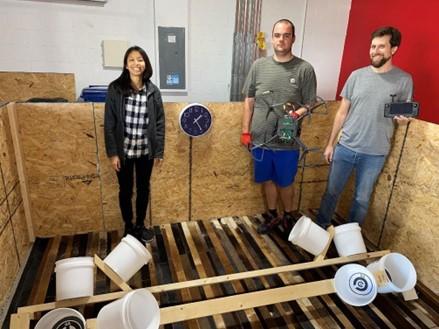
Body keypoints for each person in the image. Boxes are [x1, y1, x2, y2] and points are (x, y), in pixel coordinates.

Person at [316, 26, 413, 228]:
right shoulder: (356, 76)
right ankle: (320, 229)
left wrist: (403, 120)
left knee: (361, 200)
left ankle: (350, 238)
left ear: (393, 49)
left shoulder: (404, 80)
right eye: (372, 46)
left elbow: (400, 115)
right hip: (345, 147)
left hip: (375, 153)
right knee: (331, 192)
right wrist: (330, 144)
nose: (374, 51)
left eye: (380, 47)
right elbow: (342, 112)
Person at [241, 19, 317, 234]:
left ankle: (290, 217)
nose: (281, 39)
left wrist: (296, 114)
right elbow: (249, 100)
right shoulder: (259, 66)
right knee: (267, 179)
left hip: (287, 138)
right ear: (272, 38)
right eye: (277, 35)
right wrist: (245, 131)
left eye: (286, 35)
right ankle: (273, 215)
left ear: (293, 38)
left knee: (285, 181)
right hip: (260, 138)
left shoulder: (304, 69)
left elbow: (310, 102)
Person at [104, 46, 165, 243]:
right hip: (124, 152)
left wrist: (159, 152)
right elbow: (110, 123)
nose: (136, 63)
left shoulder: (153, 91)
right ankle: (128, 226)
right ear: (125, 64)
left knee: (143, 188)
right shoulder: (116, 89)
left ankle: (140, 225)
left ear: (145, 63)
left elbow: (159, 123)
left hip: (145, 151)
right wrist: (113, 153)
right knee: (126, 189)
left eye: (140, 59)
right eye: (131, 60)